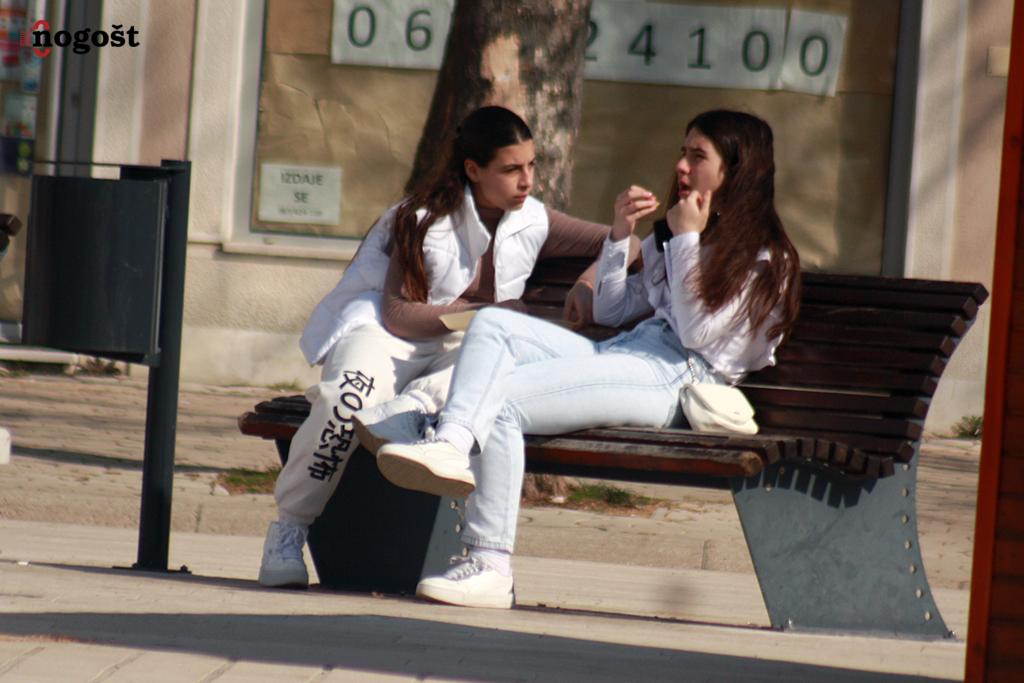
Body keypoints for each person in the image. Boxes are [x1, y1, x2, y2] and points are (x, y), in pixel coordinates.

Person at [371, 109, 802, 608]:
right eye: (683, 152)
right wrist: (620, 235)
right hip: (627, 352)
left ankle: (490, 565)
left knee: (503, 404)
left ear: (737, 170)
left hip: (675, 377)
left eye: (698, 156)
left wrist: (685, 239)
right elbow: (612, 309)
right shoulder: (687, 232)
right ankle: (450, 441)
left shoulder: (766, 259)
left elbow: (696, 333)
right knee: (492, 323)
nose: (681, 166)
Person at [259, 105, 617, 588]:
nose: (527, 181)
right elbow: (398, 313)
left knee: (479, 376)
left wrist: (589, 284)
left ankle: (406, 413)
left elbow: (623, 244)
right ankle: (288, 531)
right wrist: (482, 313)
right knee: (344, 402)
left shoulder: (535, 220)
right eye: (511, 169)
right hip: (385, 336)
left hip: (460, 349)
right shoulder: (420, 218)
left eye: (532, 165)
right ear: (473, 169)